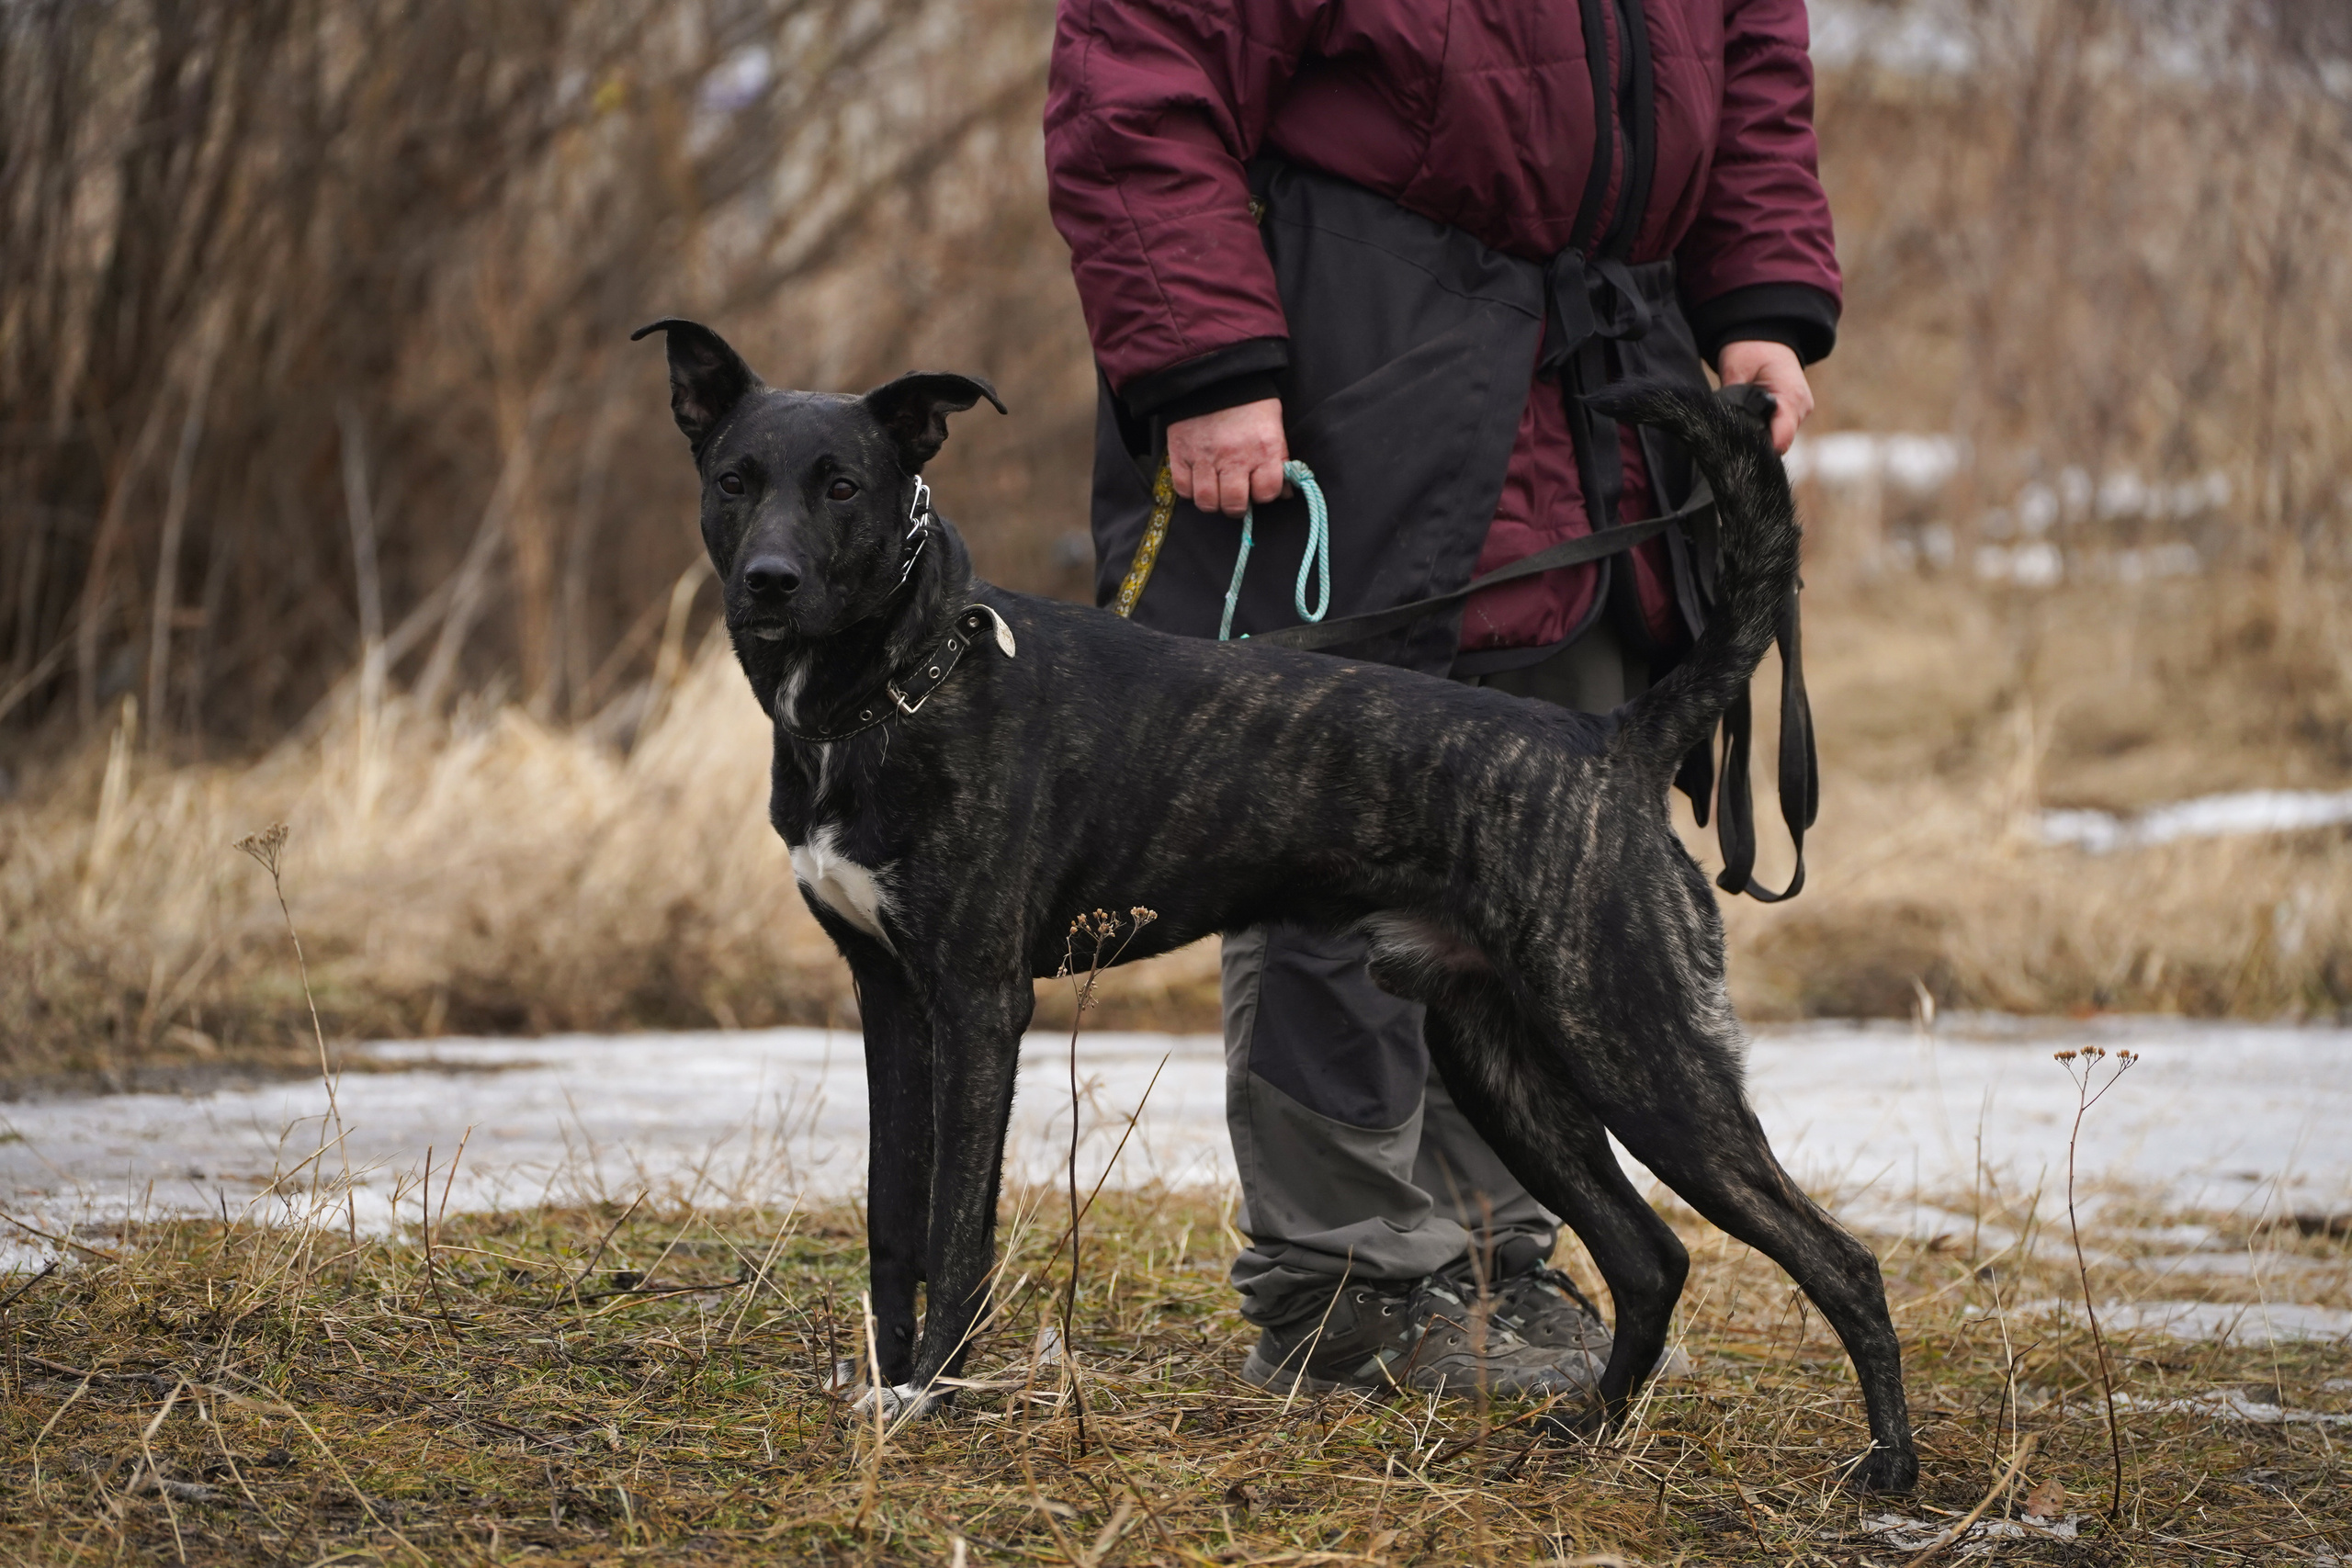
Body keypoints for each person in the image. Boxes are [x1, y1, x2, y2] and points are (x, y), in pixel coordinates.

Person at [1045, 0, 1838, 1393]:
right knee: (1327, 839)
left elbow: (1754, 60)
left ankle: (1496, 1268)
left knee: (1549, 858)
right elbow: (1139, 75)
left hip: (1606, 383)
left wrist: (1761, 303)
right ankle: (1346, 1286)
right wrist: (1205, 362)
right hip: (1351, 358)